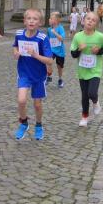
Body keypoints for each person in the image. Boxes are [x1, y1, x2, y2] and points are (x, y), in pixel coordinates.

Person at [13, 9, 54, 141]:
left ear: (40, 23)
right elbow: (15, 46)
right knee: (21, 100)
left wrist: (36, 55)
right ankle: (24, 123)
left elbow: (50, 61)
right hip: (24, 73)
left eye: (35, 19)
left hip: (38, 75)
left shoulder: (42, 38)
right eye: (29, 18)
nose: (31, 21)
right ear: (24, 21)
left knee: (37, 104)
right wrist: (16, 53)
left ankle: (38, 125)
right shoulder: (19, 34)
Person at [71, 11, 103, 127]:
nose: (90, 21)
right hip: (82, 70)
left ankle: (96, 102)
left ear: (96, 24)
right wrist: (79, 49)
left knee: (92, 93)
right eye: (88, 19)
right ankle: (84, 117)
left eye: (93, 20)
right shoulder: (78, 36)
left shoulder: (100, 36)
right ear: (83, 20)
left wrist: (98, 51)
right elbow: (73, 54)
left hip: (95, 70)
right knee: (84, 95)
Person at [46, 11, 67, 88]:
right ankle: (49, 76)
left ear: (57, 20)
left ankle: (60, 79)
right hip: (52, 50)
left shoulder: (60, 28)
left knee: (59, 67)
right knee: (48, 61)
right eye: (50, 18)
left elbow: (62, 39)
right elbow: (48, 39)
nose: (49, 19)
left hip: (60, 51)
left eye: (51, 18)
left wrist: (55, 33)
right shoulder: (49, 29)